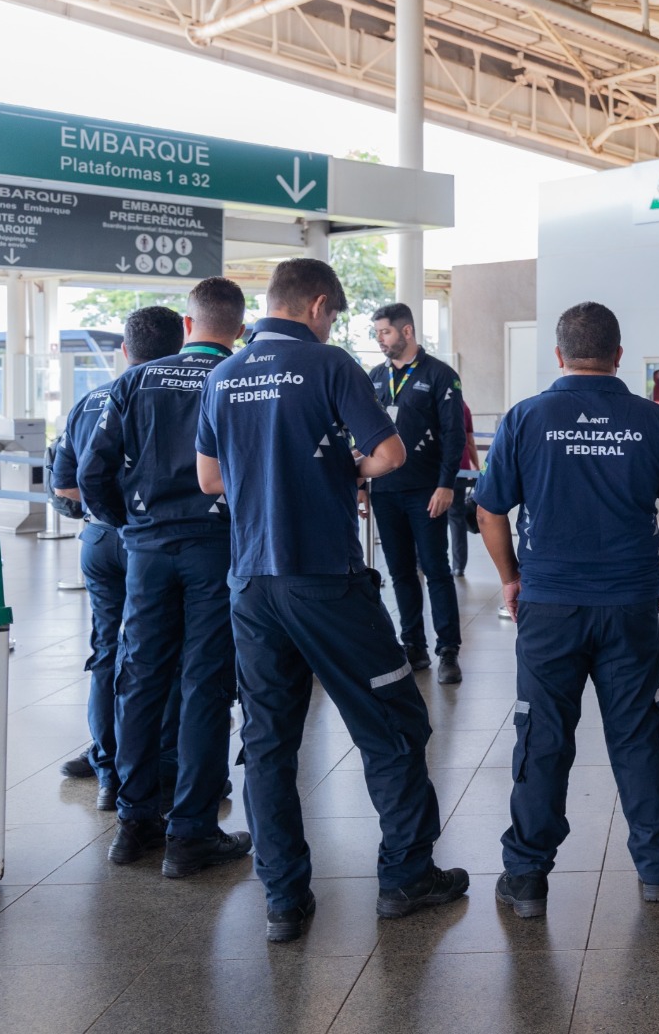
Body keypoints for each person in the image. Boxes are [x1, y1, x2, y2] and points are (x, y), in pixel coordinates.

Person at [196, 259, 467, 943]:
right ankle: (406, 876)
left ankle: (284, 900)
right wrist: (342, 468)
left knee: (267, 743)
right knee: (395, 723)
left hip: (251, 584)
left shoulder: (223, 375)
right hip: (326, 579)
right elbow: (390, 453)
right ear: (317, 306)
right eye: (333, 316)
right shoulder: (330, 366)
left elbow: (208, 479)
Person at [474, 301, 659, 920]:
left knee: (543, 736)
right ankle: (656, 869)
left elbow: (490, 510)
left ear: (558, 355)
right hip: (628, 602)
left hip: (548, 605)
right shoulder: (653, 420)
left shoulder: (526, 418)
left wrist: (510, 579)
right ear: (619, 354)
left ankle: (526, 877)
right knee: (639, 733)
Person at [80, 281, 251, 876]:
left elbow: (92, 467)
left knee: (140, 678)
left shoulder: (134, 379)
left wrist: (129, 523)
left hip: (147, 549)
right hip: (215, 547)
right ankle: (191, 834)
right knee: (205, 684)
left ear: (187, 321)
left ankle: (133, 824)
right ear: (239, 324)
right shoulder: (241, 378)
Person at [51, 308, 184, 808]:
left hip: (99, 540)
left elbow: (66, 485)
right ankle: (161, 769)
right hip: (153, 542)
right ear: (181, 345)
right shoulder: (181, 392)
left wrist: (109, 514)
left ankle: (106, 766)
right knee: (164, 655)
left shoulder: (89, 402)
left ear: (124, 351)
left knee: (108, 650)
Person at [367, 303, 468, 685]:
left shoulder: (440, 374)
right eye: (377, 334)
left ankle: (448, 650)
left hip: (427, 490)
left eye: (386, 333)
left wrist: (446, 484)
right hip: (386, 490)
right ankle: (414, 646)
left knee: (436, 570)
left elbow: (453, 435)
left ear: (407, 332)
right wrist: (362, 485)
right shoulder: (374, 377)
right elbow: (363, 436)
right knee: (401, 572)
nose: (380, 340)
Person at [448, 396, 480, 577]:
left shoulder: (434, 400)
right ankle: (459, 566)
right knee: (456, 518)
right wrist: (477, 467)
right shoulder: (463, 406)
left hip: (435, 468)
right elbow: (470, 441)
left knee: (428, 515)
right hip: (461, 467)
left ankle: (421, 562)